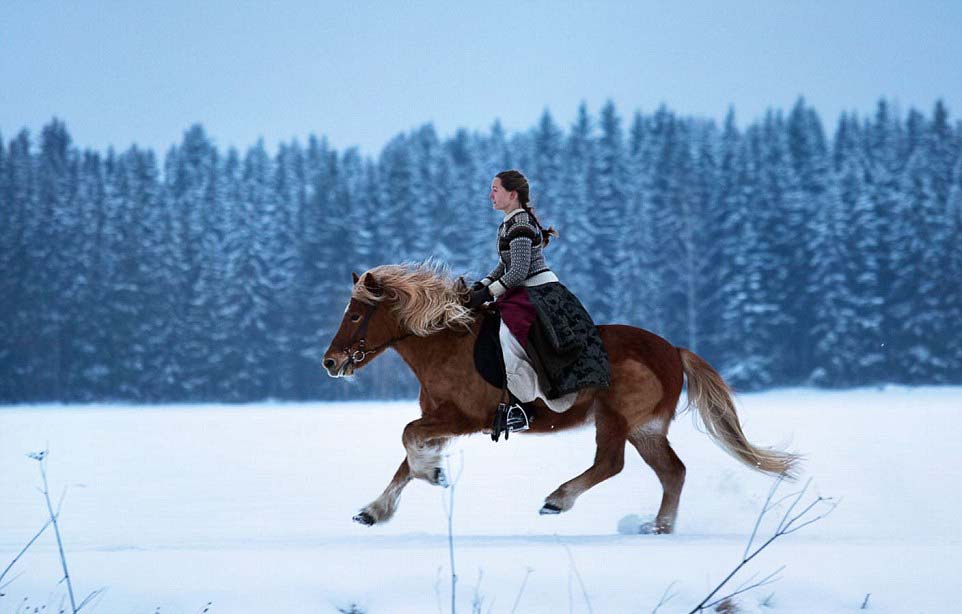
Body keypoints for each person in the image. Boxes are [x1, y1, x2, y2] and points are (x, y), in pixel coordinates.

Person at [467, 170, 611, 435]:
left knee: (507, 337)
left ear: (513, 194)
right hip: (523, 290)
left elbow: (520, 270)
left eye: (495, 189)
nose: (490, 195)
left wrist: (489, 294)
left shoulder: (521, 223)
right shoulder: (510, 222)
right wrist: (482, 284)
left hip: (536, 291)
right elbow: (505, 264)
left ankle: (522, 406)